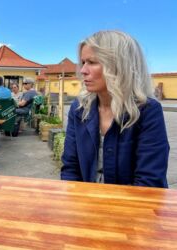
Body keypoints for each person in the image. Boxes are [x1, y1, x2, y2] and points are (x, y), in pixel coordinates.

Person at [61, 30, 169, 188]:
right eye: (83, 62)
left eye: (92, 62)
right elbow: (70, 167)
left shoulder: (147, 111)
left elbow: (149, 181)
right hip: (84, 204)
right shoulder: (79, 109)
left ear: (119, 65)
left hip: (131, 208)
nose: (83, 70)